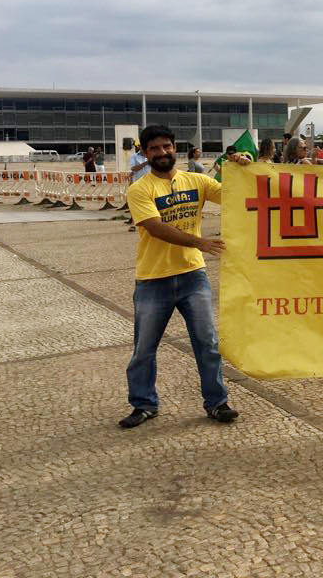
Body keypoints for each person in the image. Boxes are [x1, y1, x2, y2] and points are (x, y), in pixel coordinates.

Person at [119, 124, 246, 429]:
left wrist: (242, 167)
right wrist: (199, 243)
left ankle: (217, 403)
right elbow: (155, 227)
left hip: (193, 276)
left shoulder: (197, 181)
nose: (161, 152)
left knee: (207, 343)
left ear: (175, 148)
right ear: (145, 153)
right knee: (144, 349)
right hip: (153, 279)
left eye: (166, 146)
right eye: (154, 148)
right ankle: (144, 404)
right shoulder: (140, 189)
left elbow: (237, 195)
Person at [127, 141, 149, 232]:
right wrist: (146, 163)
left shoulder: (152, 155)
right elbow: (133, 168)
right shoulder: (134, 157)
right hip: (138, 183)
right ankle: (133, 224)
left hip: (150, 184)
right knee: (135, 203)